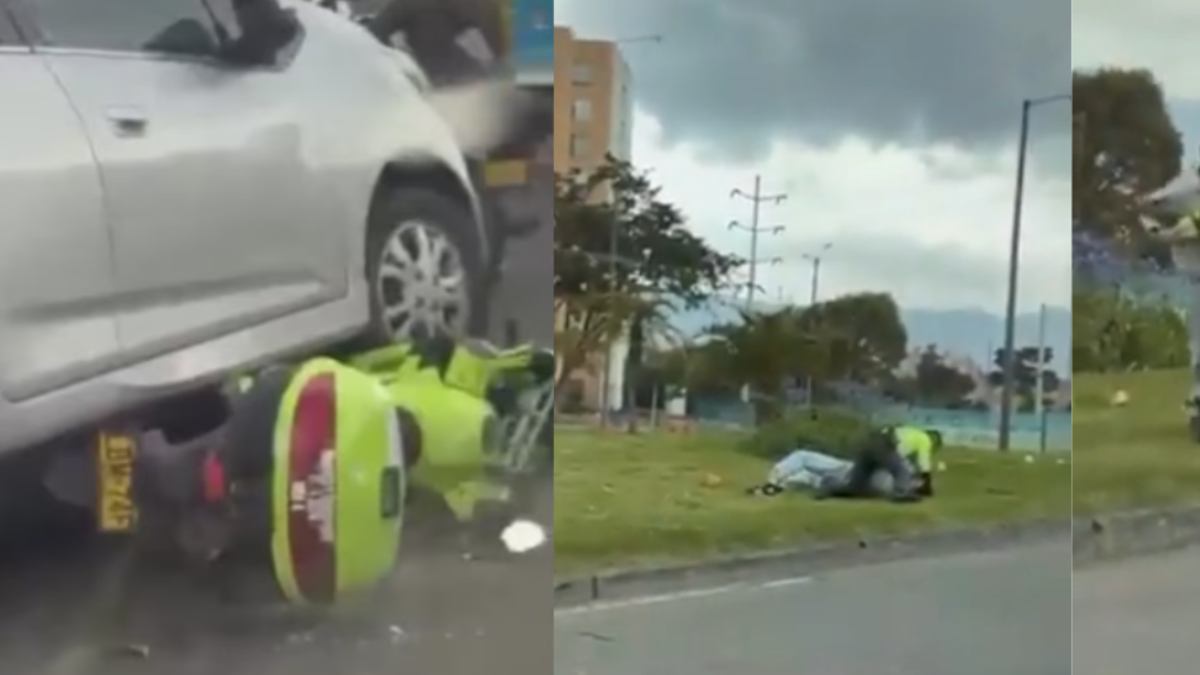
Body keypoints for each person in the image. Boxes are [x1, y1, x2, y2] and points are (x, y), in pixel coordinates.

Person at [131, 336, 552, 606]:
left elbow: (455, 524)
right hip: (324, 436)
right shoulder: (467, 385)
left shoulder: (466, 404)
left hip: (327, 442)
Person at [815, 425, 940, 502]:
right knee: (901, 471)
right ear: (933, 439)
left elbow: (895, 453)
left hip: (869, 442)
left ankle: (830, 487)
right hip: (884, 444)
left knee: (856, 486)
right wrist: (927, 487)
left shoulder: (910, 432)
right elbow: (924, 465)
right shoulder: (925, 439)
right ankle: (902, 493)